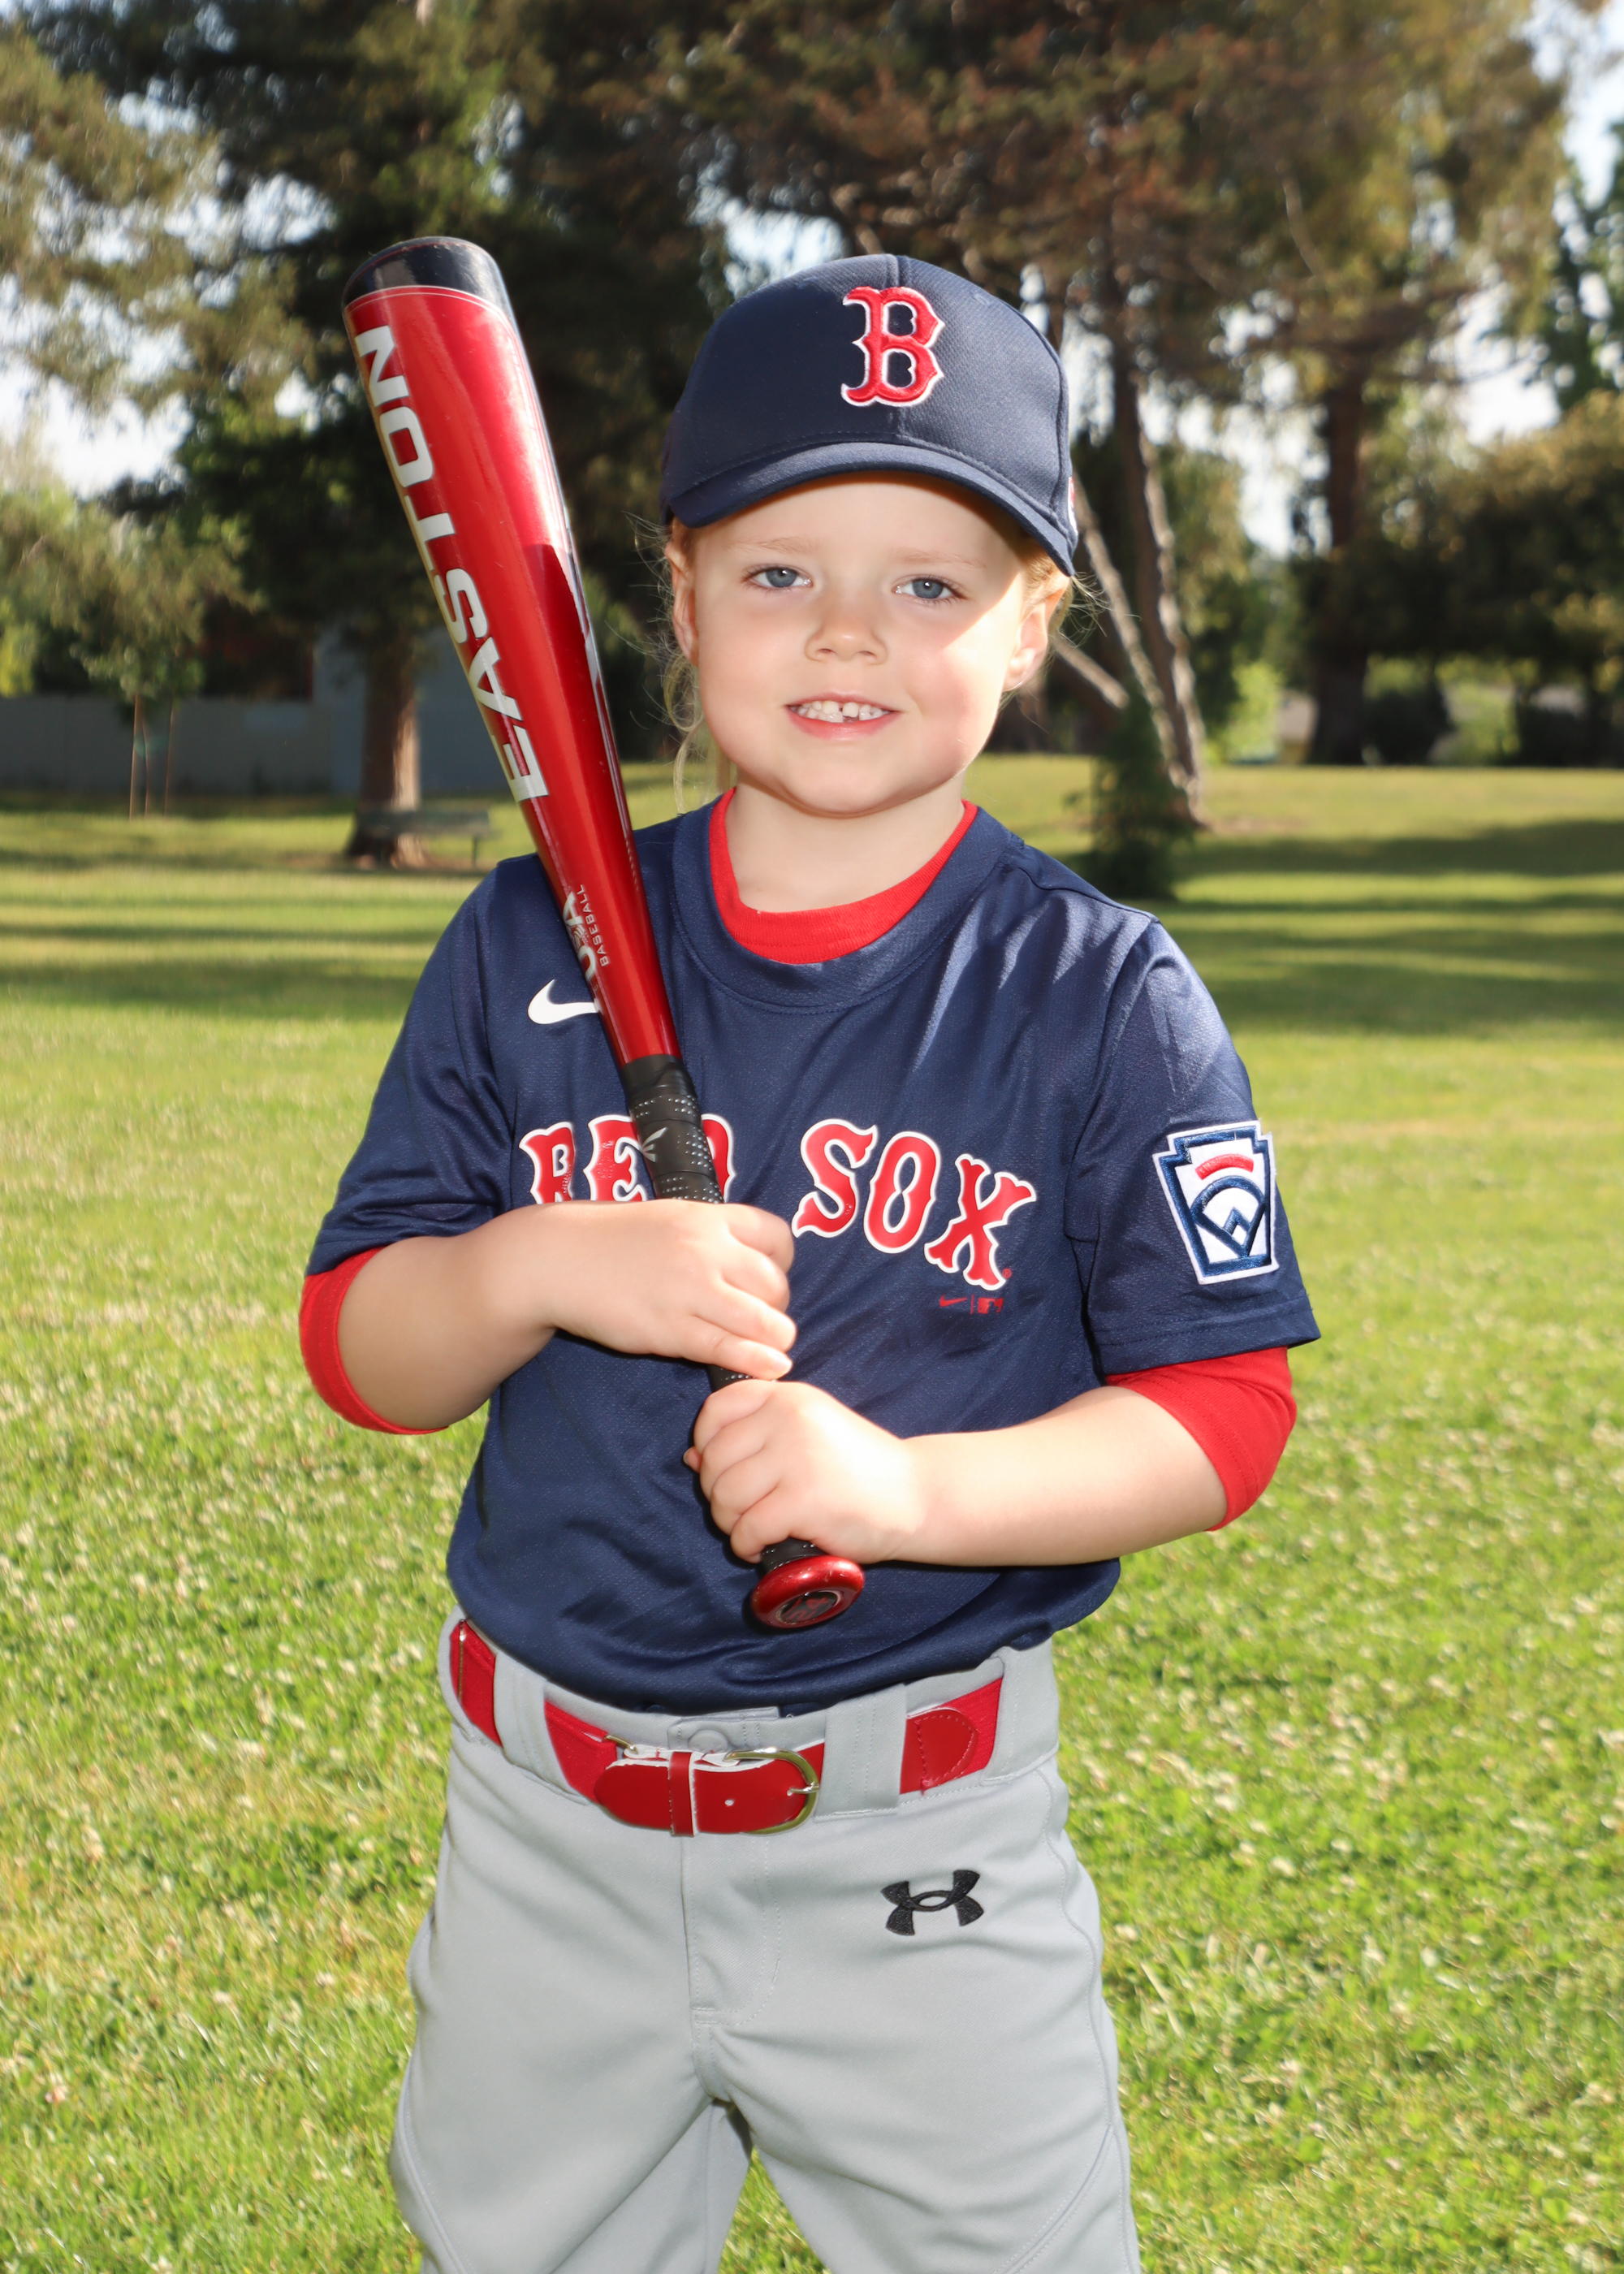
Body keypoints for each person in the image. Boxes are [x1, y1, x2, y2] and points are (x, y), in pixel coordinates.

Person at [301, 253, 1318, 2274]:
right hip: (547, 1837)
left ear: (1031, 624)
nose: (849, 628)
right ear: (678, 597)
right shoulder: (517, 949)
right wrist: (536, 1264)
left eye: (930, 580)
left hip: (914, 1841)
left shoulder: (1098, 994)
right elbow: (364, 1349)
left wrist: (906, 1488)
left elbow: (1224, 1412)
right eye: (779, 570)